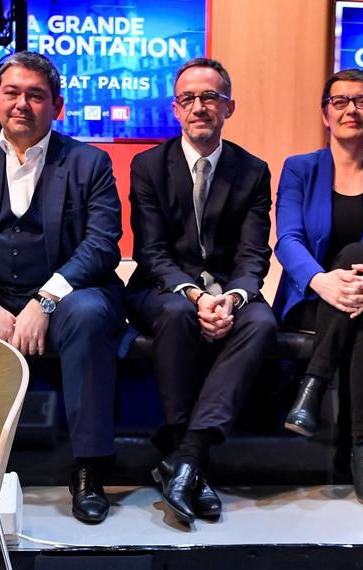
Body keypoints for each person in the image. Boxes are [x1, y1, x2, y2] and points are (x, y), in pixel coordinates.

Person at [0, 51, 126, 525]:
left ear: (57, 106)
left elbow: (102, 244)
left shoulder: (89, 162)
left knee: (88, 315)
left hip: (68, 292)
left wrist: (46, 300)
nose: (22, 103)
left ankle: (88, 467)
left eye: (36, 95)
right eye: (12, 93)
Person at [127, 57, 276, 524]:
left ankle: (186, 460)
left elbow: (254, 255)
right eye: (188, 98)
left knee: (262, 322)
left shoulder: (252, 170)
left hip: (229, 291)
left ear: (228, 107)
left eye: (210, 96)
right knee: (176, 314)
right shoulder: (148, 166)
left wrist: (232, 298)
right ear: (176, 109)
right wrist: (196, 296)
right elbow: (151, 252)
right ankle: (189, 459)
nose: (199, 107)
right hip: (164, 289)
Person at [274, 68, 363, 505]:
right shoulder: (300, 169)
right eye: (340, 101)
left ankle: (312, 385)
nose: (350, 110)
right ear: (325, 114)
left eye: (362, 101)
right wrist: (322, 281)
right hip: (311, 300)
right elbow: (288, 239)